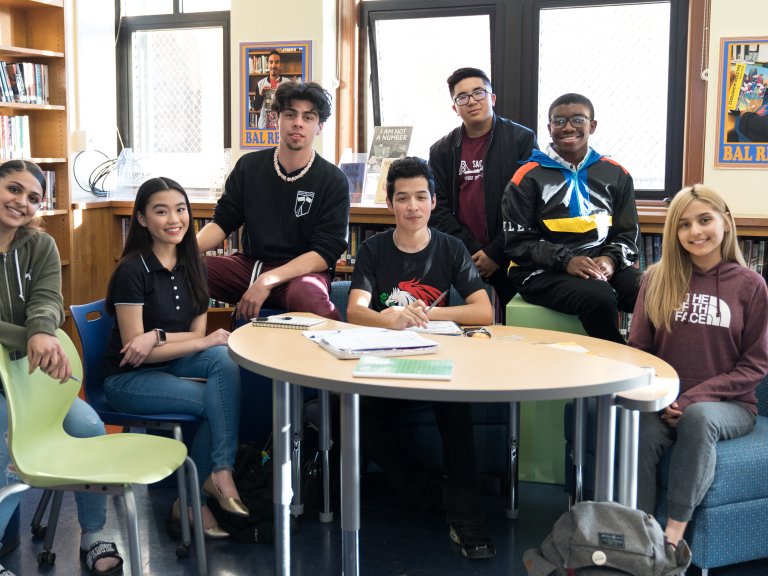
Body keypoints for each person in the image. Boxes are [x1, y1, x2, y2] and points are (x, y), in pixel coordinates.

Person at [347, 157, 496, 560]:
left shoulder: (451, 248)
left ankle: (466, 516)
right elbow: (355, 309)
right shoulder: (374, 249)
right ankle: (430, 495)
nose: (412, 206)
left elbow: (483, 311)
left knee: (456, 410)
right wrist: (389, 318)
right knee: (357, 415)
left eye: (420, 197)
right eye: (402, 198)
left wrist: (424, 314)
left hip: (439, 359)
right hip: (386, 361)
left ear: (433, 201)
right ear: (390, 203)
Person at [103, 177, 245, 540]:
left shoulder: (194, 263)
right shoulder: (132, 271)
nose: (173, 219)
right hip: (128, 378)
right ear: (142, 219)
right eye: (161, 211)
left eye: (180, 209)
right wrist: (159, 339)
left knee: (224, 361)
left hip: (170, 361)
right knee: (219, 403)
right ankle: (200, 495)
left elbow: (196, 336)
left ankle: (213, 480)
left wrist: (159, 336)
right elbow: (136, 351)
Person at [0, 160, 122, 576]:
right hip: (4, 385)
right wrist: (33, 338)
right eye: (13, 190)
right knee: (9, 444)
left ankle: (93, 534)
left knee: (88, 427)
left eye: (33, 198)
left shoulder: (41, 245)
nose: (22, 203)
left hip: (30, 377)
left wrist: (42, 331)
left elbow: (48, 300)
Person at [629, 184, 768, 548]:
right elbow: (640, 350)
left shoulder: (751, 286)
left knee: (700, 417)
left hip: (731, 406)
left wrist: (690, 401)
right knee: (637, 425)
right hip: (666, 400)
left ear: (725, 221)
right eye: (684, 224)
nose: (696, 232)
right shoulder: (656, 279)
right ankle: (641, 534)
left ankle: (672, 539)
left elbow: (755, 366)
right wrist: (661, 398)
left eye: (705, 220)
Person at [197, 81, 349, 321]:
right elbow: (222, 222)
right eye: (290, 114)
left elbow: (323, 253)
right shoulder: (249, 167)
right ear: (277, 118)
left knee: (309, 293)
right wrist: (179, 252)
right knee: (186, 270)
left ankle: (342, 350)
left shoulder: (333, 180)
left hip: (301, 275)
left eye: (308, 117)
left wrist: (267, 281)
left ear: (319, 127)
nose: (298, 122)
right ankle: (172, 345)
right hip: (251, 267)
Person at [502, 92, 641, 343]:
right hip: (539, 271)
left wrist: (610, 260)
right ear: (549, 128)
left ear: (592, 125)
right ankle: (620, 360)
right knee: (598, 296)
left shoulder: (616, 173)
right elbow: (518, 244)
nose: (568, 127)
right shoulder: (526, 177)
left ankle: (653, 353)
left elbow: (627, 234)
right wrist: (566, 261)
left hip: (598, 262)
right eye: (559, 121)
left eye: (578, 120)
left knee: (649, 290)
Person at [429, 67, 538, 313]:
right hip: (463, 257)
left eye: (479, 93)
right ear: (455, 107)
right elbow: (438, 209)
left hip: (513, 257)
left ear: (492, 98)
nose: (472, 101)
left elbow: (529, 204)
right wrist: (474, 251)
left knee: (515, 327)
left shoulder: (521, 140)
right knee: (466, 327)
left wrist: (495, 253)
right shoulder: (441, 150)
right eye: (462, 97)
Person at [256, 50, 291, 129]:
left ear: (280, 65)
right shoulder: (260, 84)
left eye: (277, 62)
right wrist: (261, 94)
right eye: (271, 62)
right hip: (264, 128)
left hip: (282, 127)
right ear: (268, 64)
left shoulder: (288, 83)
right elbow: (256, 107)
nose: (273, 65)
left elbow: (291, 105)